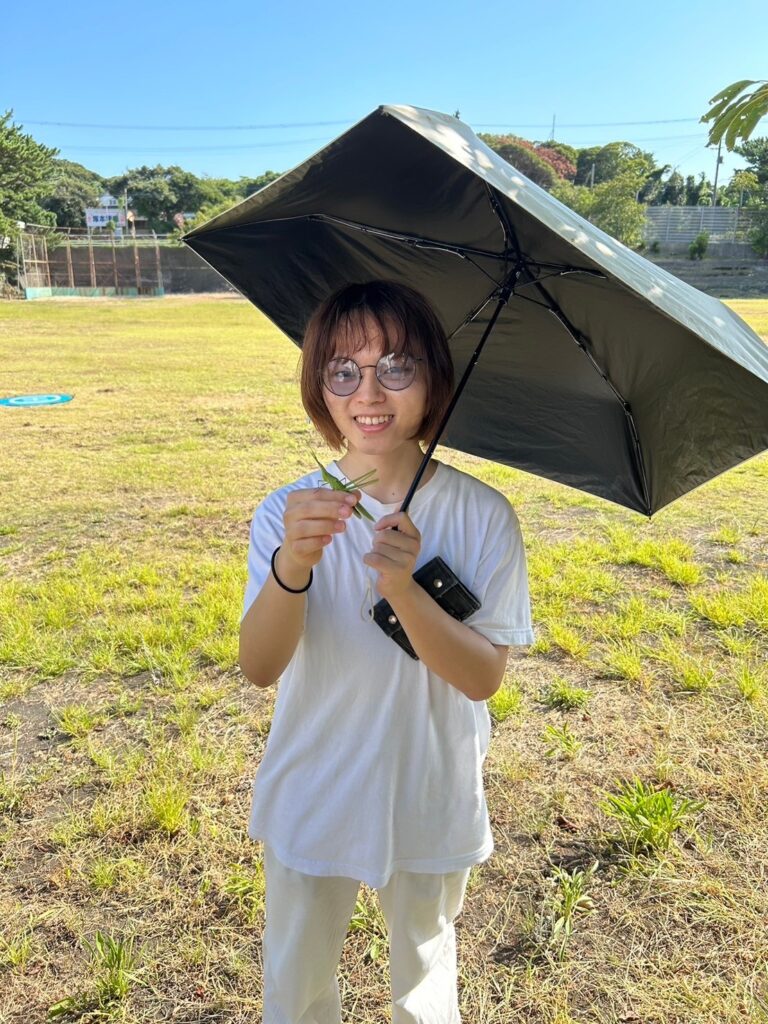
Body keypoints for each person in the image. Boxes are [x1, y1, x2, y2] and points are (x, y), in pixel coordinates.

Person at [239, 280, 534, 1024]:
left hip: (430, 784)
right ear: (320, 387)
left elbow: (482, 678)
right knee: (297, 986)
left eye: (396, 365)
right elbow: (259, 666)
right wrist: (292, 567)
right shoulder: (287, 511)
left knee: (424, 986)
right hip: (316, 785)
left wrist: (404, 587)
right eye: (344, 370)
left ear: (433, 378)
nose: (368, 391)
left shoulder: (481, 516)